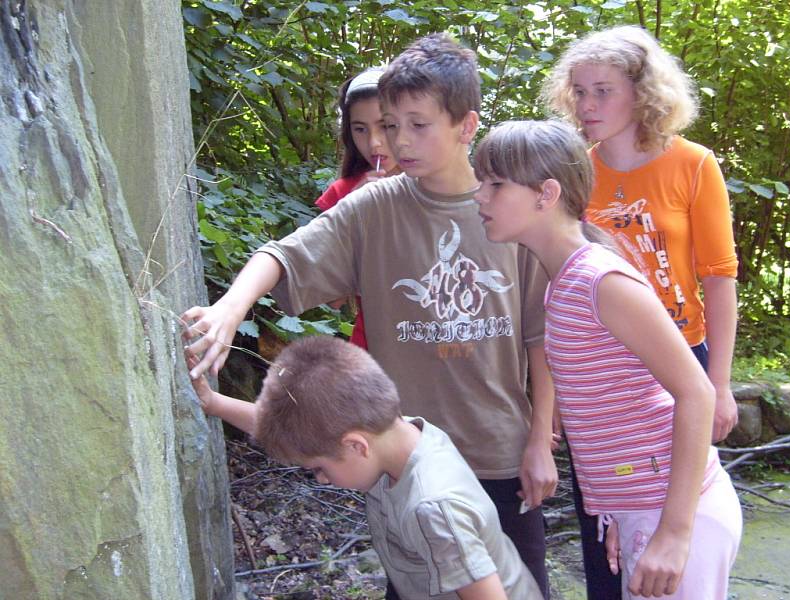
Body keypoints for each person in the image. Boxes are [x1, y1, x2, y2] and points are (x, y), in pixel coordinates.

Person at [182, 33, 553, 597]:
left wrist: (540, 439)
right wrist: (230, 308)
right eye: (389, 123)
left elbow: (538, 337)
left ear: (466, 124)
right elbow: (282, 254)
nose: (397, 141)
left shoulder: (508, 208)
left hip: (499, 455)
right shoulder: (373, 207)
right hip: (401, 458)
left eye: (418, 124)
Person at [473, 119, 742, 600]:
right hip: (641, 510)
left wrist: (674, 531)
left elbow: (695, 391)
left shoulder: (602, 282)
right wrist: (622, 510)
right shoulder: (564, 282)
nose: (479, 197)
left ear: (546, 193)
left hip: (680, 515)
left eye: (494, 184)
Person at [541, 26, 740, 599]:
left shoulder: (694, 164)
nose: (586, 105)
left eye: (602, 90)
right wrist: (551, 395)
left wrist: (718, 383)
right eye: (577, 91)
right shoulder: (575, 171)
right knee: (604, 514)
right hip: (599, 364)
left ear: (644, 94)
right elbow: (556, 288)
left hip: (680, 360)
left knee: (678, 509)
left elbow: (719, 279)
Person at [186, 336, 544, 600]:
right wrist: (214, 403)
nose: (323, 479)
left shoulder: (434, 508)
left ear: (356, 446)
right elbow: (307, 430)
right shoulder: (394, 432)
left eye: (319, 468)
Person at [315, 67, 401, 348]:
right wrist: (355, 210)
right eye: (360, 129)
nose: (374, 143)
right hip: (373, 349)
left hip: (441, 351)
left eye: (386, 126)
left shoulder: (437, 188)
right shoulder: (342, 195)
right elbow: (333, 299)